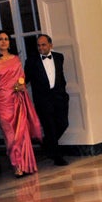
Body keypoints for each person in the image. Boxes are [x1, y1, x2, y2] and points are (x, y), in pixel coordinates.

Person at [0, 31, 42, 177]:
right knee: (10, 134)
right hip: (2, 100)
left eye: (6, 39)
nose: (3, 42)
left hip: (16, 97)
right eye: (0, 39)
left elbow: (21, 77)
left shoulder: (16, 59)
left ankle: (26, 165)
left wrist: (20, 86)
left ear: (10, 42)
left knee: (21, 132)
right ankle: (17, 166)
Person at [24, 34, 70, 166]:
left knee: (63, 123)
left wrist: (63, 93)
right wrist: (15, 87)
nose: (40, 47)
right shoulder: (31, 61)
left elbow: (61, 77)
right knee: (50, 128)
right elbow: (24, 79)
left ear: (50, 45)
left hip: (60, 98)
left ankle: (47, 144)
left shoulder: (59, 57)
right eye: (38, 45)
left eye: (43, 44)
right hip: (43, 101)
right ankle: (57, 157)